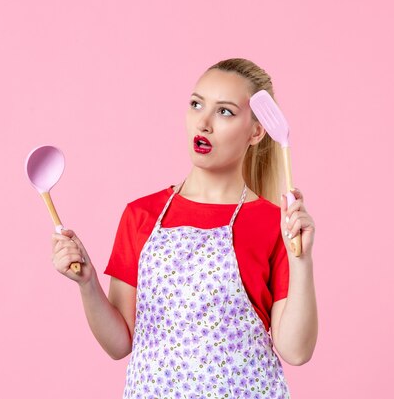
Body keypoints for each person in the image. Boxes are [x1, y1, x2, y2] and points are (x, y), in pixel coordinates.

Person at [51, 57, 318, 398]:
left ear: (256, 131)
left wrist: (302, 260)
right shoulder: (140, 214)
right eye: (196, 105)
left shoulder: (273, 223)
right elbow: (120, 343)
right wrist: (87, 284)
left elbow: (296, 351)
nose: (203, 123)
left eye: (224, 112)